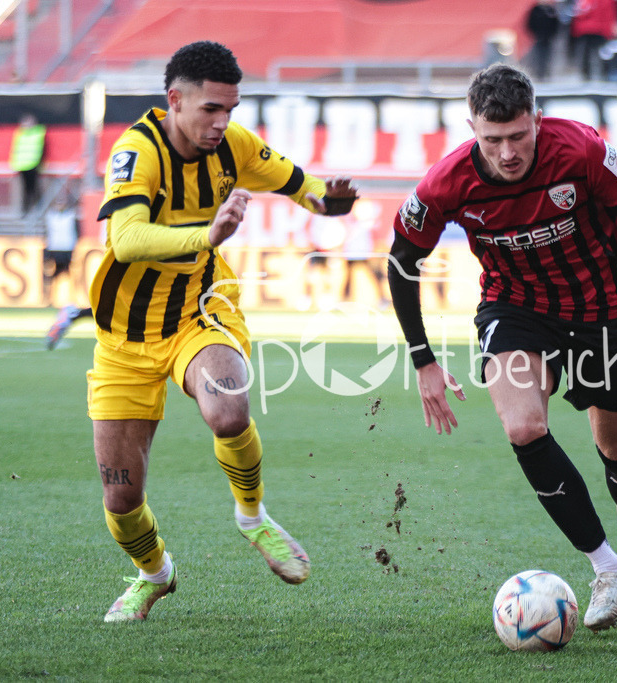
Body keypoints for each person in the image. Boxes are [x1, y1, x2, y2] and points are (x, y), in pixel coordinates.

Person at [388, 64, 617, 633]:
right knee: (522, 426)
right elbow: (402, 264)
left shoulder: (581, 152)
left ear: (537, 120)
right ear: (472, 128)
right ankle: (607, 569)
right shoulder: (445, 184)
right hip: (514, 309)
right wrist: (423, 360)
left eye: (518, 136)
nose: (508, 152)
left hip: (601, 310)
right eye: (492, 140)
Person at [88, 41, 357, 623]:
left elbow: (302, 187)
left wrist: (330, 204)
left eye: (230, 110)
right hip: (124, 337)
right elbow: (127, 239)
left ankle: (253, 518)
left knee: (228, 409)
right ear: (174, 100)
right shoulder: (138, 151)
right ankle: (154, 574)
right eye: (210, 109)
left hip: (199, 312)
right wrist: (205, 237)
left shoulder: (233, 146)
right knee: (121, 496)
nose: (221, 123)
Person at [43, 194, 80, 308]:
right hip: (54, 249)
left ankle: (72, 299)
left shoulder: (71, 216)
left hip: (68, 249)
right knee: (51, 275)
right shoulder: (51, 216)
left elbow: (77, 233)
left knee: (71, 275)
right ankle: (50, 298)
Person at [10, 113, 46, 216]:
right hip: (22, 165)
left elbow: (42, 148)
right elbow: (16, 149)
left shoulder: (38, 133)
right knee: (25, 189)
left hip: (34, 164)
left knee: (35, 188)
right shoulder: (19, 134)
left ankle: (38, 209)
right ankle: (25, 210)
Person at [525, 0, 562, 80]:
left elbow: (556, 24)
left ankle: (546, 72)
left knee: (548, 56)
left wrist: (552, 35)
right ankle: (538, 73)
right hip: (538, 37)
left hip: (548, 37)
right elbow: (529, 23)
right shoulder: (535, 10)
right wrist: (535, 34)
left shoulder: (551, 10)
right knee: (537, 55)